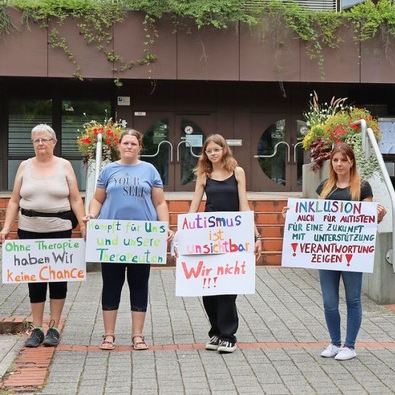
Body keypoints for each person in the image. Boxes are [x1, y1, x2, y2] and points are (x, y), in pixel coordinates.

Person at [293, 143, 386, 361]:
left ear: (351, 162)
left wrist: (379, 215)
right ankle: (335, 342)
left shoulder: (363, 187)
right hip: (328, 252)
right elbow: (315, 217)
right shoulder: (325, 187)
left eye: (343, 160)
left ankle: (350, 345)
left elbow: (369, 221)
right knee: (329, 301)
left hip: (352, 253)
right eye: (335, 160)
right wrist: (295, 214)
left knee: (353, 299)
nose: (339, 164)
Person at [84, 129, 174, 351]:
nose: (129, 147)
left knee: (139, 285)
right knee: (111, 285)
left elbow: (160, 202)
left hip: (142, 240)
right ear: (119, 146)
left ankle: (138, 336)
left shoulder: (150, 170)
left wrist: (165, 226)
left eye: (133, 143)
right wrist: (92, 216)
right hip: (112, 238)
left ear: (139, 147)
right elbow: (97, 199)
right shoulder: (109, 170)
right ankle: (108, 336)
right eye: (125, 143)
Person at [0, 124, 85, 348]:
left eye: (45, 140)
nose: (40, 144)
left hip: (59, 228)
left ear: (54, 142)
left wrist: (84, 225)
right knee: (34, 279)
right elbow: (15, 200)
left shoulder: (64, 165)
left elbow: (76, 199)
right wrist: (6, 227)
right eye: (36, 140)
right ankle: (37, 328)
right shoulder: (24, 166)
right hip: (29, 229)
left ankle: (54, 327)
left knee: (58, 279)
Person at [187, 134, 262, 354]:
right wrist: (184, 233)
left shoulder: (237, 172)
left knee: (228, 287)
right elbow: (194, 206)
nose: (212, 154)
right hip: (208, 236)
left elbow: (244, 205)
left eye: (216, 150)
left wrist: (256, 235)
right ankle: (216, 333)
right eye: (208, 151)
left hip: (234, 235)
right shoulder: (204, 174)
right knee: (208, 286)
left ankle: (229, 335)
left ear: (224, 150)